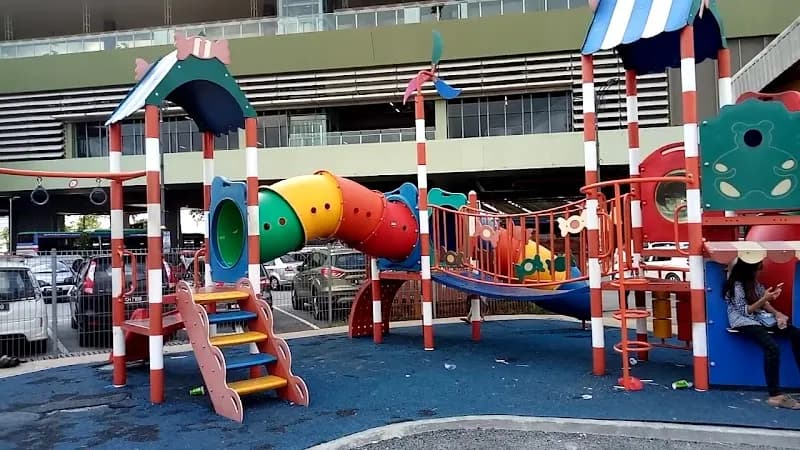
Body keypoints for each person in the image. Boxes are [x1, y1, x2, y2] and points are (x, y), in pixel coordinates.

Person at [724, 258, 800, 409]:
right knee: (771, 348)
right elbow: (745, 311)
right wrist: (764, 299)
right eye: (758, 268)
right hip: (743, 321)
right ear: (748, 269)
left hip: (760, 319)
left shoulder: (754, 283)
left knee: (796, 334)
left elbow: (764, 303)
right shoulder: (736, 285)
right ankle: (775, 395)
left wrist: (778, 314)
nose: (759, 271)